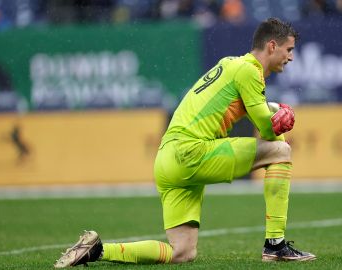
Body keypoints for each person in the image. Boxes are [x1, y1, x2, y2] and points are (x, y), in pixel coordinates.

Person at [54, 17, 316, 268]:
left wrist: (272, 111)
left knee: (182, 252)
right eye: (289, 49)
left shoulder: (231, 64)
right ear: (272, 45)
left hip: (168, 158)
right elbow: (269, 132)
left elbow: (259, 116)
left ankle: (97, 250)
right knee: (282, 151)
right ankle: (275, 244)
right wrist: (282, 116)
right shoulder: (250, 71)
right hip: (191, 151)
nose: (291, 56)